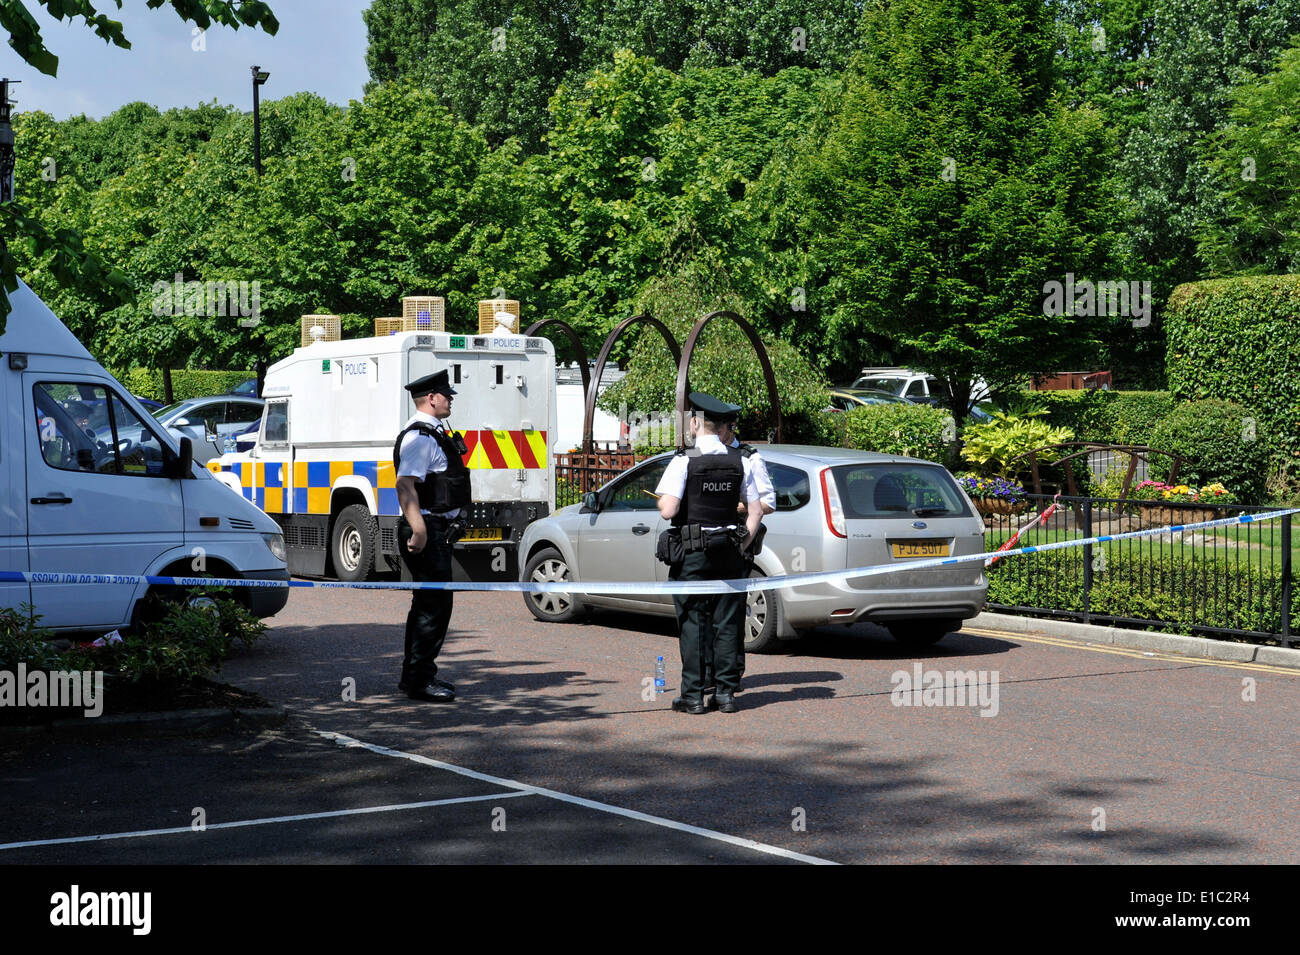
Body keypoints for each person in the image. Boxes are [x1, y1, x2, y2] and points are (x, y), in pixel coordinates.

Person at [655, 392, 763, 714]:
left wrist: (661, 499)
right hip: (729, 553)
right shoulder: (740, 460)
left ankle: (693, 696)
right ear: (720, 428)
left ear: (696, 423)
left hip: (694, 554)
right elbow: (756, 511)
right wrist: (741, 545)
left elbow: (668, 510)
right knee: (728, 623)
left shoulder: (684, 460)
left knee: (693, 622)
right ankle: (726, 695)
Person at [394, 369, 470, 703]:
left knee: (430, 604)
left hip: (436, 528)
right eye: (446, 394)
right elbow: (404, 483)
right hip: (426, 528)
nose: (450, 399)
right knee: (433, 607)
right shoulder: (420, 436)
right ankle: (419, 680)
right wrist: (421, 529)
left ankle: (415, 675)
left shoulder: (435, 433)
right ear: (432, 398)